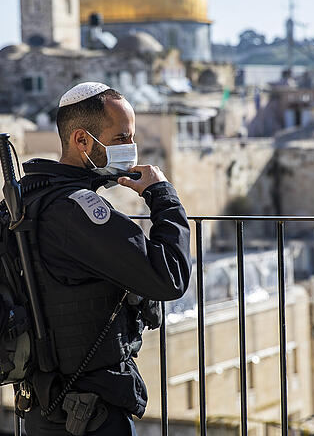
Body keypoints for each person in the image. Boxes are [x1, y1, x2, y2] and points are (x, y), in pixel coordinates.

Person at [17, 82, 192, 435]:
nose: (131, 148)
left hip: (46, 404)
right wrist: (162, 195)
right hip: (89, 414)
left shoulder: (30, 197)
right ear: (81, 141)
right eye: (120, 139)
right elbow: (169, 276)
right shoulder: (76, 210)